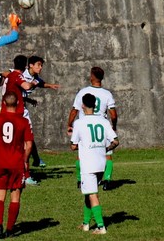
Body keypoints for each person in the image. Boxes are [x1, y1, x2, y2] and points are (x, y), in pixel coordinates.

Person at [0, 91, 33, 239]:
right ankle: (10, 229)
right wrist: (25, 160)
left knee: (0, 197)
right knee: (15, 197)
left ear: (4, 103)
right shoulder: (23, 121)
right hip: (16, 163)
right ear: (18, 104)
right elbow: (29, 145)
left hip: (0, 162)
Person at [70, 93, 119, 235]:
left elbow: (73, 146)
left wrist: (83, 145)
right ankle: (85, 223)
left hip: (88, 163)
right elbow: (115, 141)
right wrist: (105, 148)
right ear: (96, 105)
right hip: (101, 162)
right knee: (88, 192)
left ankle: (101, 227)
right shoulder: (103, 121)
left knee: (92, 194)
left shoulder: (79, 123)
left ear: (82, 106)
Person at [67, 67, 117, 190]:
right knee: (107, 154)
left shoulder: (83, 92)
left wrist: (69, 124)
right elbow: (113, 114)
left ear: (92, 77)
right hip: (101, 126)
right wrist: (113, 126)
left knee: (82, 155)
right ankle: (107, 180)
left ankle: (80, 180)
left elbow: (75, 110)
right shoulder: (107, 94)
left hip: (85, 126)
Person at [1, 55, 40, 185]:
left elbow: (17, 92)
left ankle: (17, 173)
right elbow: (26, 86)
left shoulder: (10, 76)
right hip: (18, 114)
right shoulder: (17, 76)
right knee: (27, 144)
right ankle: (24, 174)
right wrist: (33, 83)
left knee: (15, 144)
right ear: (25, 66)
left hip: (10, 113)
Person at [22, 55, 60, 168]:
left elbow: (40, 83)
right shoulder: (22, 76)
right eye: (38, 65)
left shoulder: (35, 76)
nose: (41, 67)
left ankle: (35, 159)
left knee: (28, 135)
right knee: (26, 135)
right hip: (15, 109)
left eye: (41, 65)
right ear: (31, 65)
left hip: (21, 107)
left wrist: (50, 85)